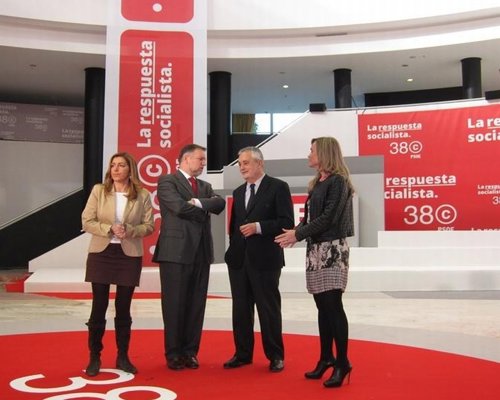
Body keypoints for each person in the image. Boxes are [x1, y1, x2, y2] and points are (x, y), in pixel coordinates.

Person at [275, 136, 354, 388]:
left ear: (325, 154)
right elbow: (310, 218)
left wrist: (298, 234)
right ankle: (326, 358)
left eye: (312, 150)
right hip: (315, 249)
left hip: (332, 249)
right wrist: (295, 233)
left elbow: (329, 218)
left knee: (333, 306)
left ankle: (342, 362)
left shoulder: (338, 181)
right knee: (322, 306)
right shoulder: (317, 183)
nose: (308, 154)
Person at [81, 151, 154, 377]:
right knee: (99, 305)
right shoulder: (99, 191)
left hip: (128, 255)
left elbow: (149, 226)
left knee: (123, 307)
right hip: (101, 253)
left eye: (121, 165)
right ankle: (94, 356)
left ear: (130, 169)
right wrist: (109, 229)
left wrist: (129, 230)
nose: (115, 169)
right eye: (113, 165)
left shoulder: (142, 195)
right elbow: (87, 220)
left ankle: (123, 356)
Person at [153, 144, 225, 371]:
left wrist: (196, 202)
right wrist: (204, 208)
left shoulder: (205, 185)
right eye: (200, 159)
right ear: (185, 159)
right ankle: (173, 353)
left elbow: (220, 204)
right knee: (174, 303)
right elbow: (178, 208)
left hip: (201, 252)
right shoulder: (167, 181)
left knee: (196, 305)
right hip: (175, 251)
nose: (204, 163)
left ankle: (190, 352)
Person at [223, 146, 294, 373]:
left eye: (246, 163)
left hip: (266, 260)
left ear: (260, 163)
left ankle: (275, 356)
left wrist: (259, 227)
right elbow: (234, 227)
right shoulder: (237, 192)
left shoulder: (278, 187)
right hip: (239, 261)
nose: (241, 167)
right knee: (240, 310)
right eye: (240, 163)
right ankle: (242, 354)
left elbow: (286, 222)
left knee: (268, 309)